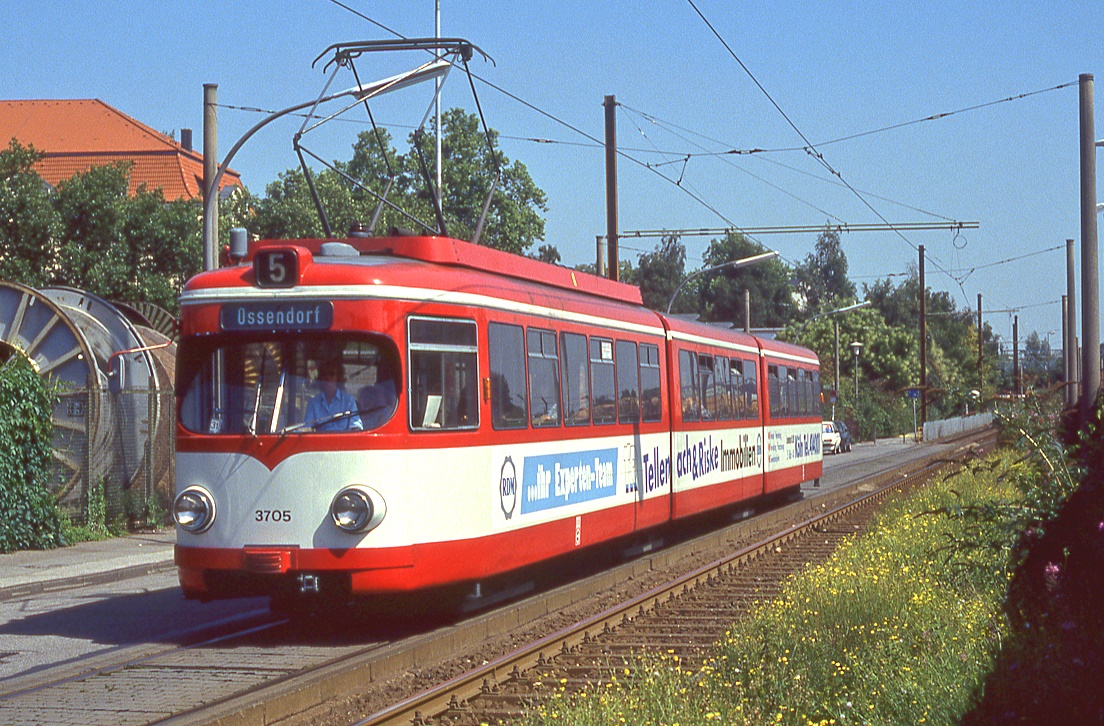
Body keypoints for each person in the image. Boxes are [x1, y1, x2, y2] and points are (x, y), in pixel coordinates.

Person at [305, 360, 363, 431]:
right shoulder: (313, 403)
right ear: (321, 378)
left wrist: (354, 430)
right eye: (324, 375)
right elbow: (307, 427)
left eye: (331, 374)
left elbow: (356, 425)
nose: (328, 378)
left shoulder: (348, 401)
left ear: (338, 378)